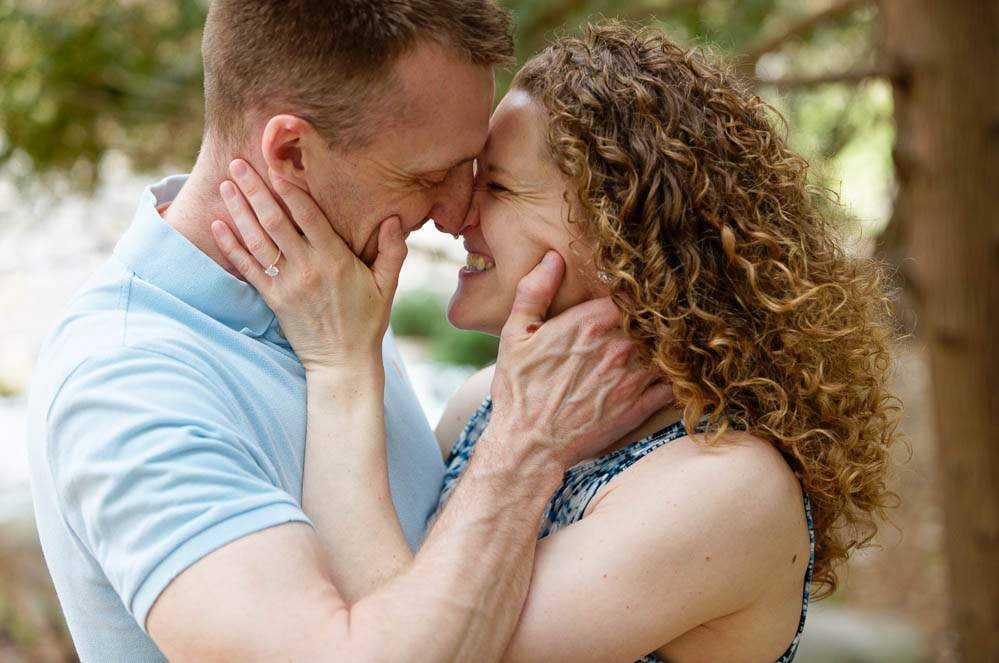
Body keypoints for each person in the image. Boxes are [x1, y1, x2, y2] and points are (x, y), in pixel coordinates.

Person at [219, 22, 902, 663]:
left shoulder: (728, 486)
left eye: (499, 186)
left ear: (626, 233)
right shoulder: (481, 405)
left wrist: (342, 364)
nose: (456, 215)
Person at [25, 4, 672, 662]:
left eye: (471, 167)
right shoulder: (128, 382)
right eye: (425, 176)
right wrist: (526, 449)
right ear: (291, 153)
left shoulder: (328, 291)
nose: (455, 213)